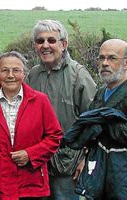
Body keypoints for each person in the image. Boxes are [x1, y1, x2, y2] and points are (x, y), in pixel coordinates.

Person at [0, 51, 62, 199]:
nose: (10, 75)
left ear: (24, 73)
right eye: (5, 70)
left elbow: (55, 136)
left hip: (31, 186)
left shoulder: (40, 101)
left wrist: (30, 154)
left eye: (16, 70)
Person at [26, 19, 97, 199]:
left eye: (51, 40)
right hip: (37, 163)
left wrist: (85, 157)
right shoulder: (33, 74)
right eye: (40, 41)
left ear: (63, 44)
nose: (45, 45)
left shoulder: (78, 75)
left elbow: (94, 120)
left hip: (68, 164)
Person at [66, 39, 127, 199]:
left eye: (112, 58)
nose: (105, 63)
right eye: (101, 58)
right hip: (100, 173)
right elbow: (90, 130)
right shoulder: (101, 92)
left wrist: (103, 124)